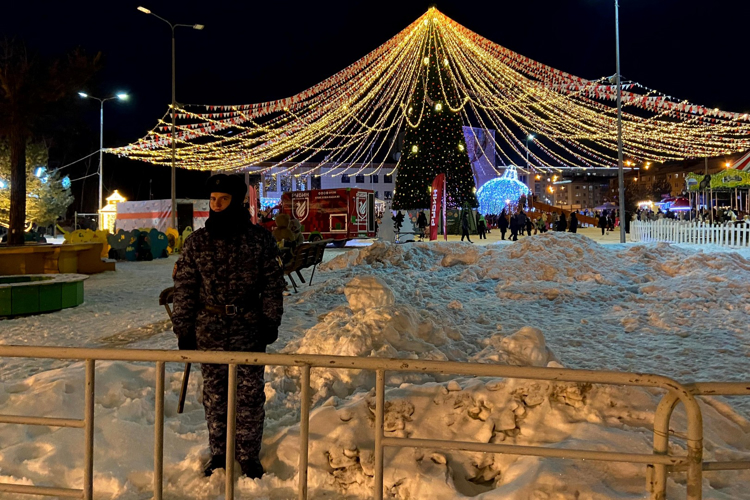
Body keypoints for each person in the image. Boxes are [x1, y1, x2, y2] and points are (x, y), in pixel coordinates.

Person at [172, 174, 285, 479]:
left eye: (223, 199)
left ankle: (248, 455)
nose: (217, 205)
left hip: (248, 328)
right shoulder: (197, 242)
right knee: (215, 395)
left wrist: (270, 321)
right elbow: (185, 287)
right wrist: (183, 328)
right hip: (209, 328)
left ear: (237, 202)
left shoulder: (259, 240)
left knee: (248, 395)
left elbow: (273, 285)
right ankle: (219, 454)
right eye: (213, 199)